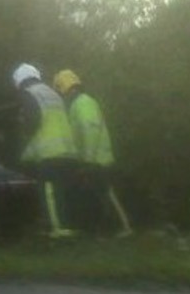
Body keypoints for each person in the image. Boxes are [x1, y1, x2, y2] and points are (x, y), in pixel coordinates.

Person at [53, 69, 133, 237]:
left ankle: (124, 228)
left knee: (106, 194)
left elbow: (90, 130)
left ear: (64, 88)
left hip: (96, 160)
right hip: (92, 159)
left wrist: (87, 161)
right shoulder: (80, 103)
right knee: (98, 195)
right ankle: (105, 231)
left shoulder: (82, 103)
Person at [12, 63, 78, 239]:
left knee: (48, 190)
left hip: (49, 151)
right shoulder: (52, 92)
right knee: (60, 190)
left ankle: (57, 230)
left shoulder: (29, 93)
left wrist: (24, 133)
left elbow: (33, 121)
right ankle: (65, 226)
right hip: (66, 148)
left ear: (19, 81)